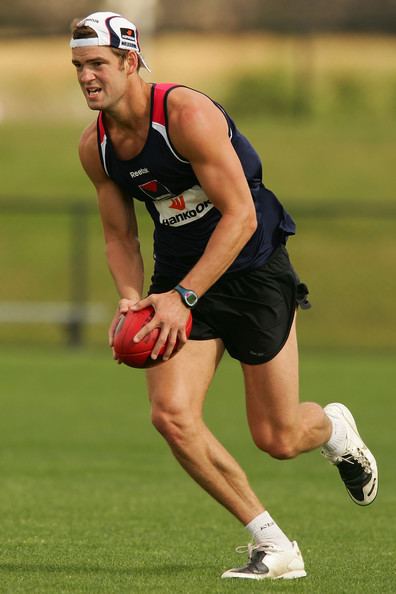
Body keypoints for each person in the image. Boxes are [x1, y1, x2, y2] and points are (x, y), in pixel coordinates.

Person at [71, 11, 378, 581]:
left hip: (253, 267)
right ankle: (274, 545)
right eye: (78, 67)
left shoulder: (186, 115)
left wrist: (182, 297)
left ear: (130, 61)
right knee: (171, 415)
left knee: (278, 437)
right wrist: (132, 297)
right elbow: (119, 234)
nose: (86, 77)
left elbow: (238, 215)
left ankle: (333, 428)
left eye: (97, 65)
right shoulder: (98, 147)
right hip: (179, 279)